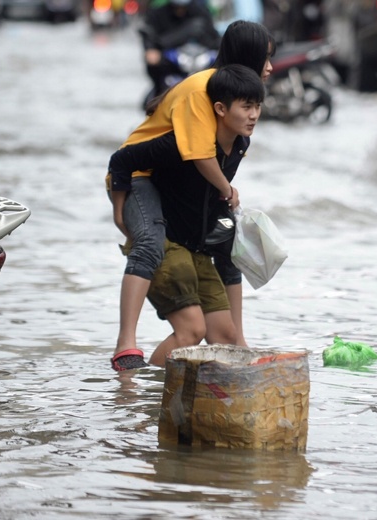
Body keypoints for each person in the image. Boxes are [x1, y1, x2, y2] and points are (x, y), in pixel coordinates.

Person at [107, 20, 274, 371]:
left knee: (223, 328)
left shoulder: (237, 138)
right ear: (221, 109)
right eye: (266, 57)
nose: (271, 67)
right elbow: (192, 155)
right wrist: (119, 209)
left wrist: (240, 343)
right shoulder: (201, 93)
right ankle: (126, 345)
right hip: (140, 175)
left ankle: (162, 386)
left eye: (256, 107)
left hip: (175, 194)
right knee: (151, 245)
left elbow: (207, 178)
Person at [140, 0, 222, 98]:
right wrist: (151, 49)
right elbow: (149, 35)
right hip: (170, 62)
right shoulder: (158, 14)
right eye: (177, 8)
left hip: (198, 60)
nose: (180, 10)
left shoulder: (200, 12)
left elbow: (213, 37)